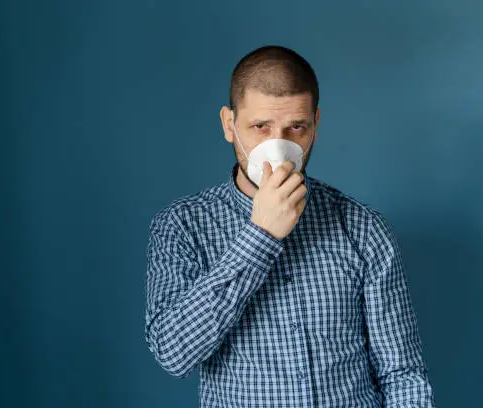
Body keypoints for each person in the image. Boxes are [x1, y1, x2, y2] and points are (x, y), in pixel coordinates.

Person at [144, 45, 437, 407]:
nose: (278, 149)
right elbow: (174, 354)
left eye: (295, 128)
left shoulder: (362, 227)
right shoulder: (181, 226)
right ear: (228, 124)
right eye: (260, 127)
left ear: (315, 127)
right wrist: (260, 236)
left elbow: (402, 373)